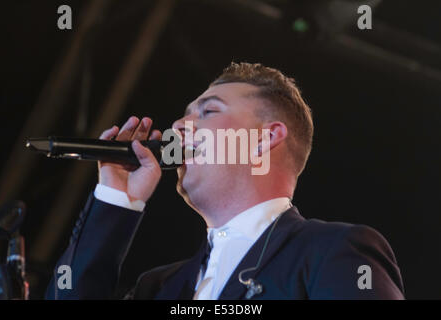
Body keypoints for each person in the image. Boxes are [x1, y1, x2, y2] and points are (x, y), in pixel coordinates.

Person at [45, 62, 404, 299]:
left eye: (209, 111)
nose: (179, 127)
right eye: (184, 116)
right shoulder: (158, 288)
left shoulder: (332, 250)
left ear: (265, 138)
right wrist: (116, 199)